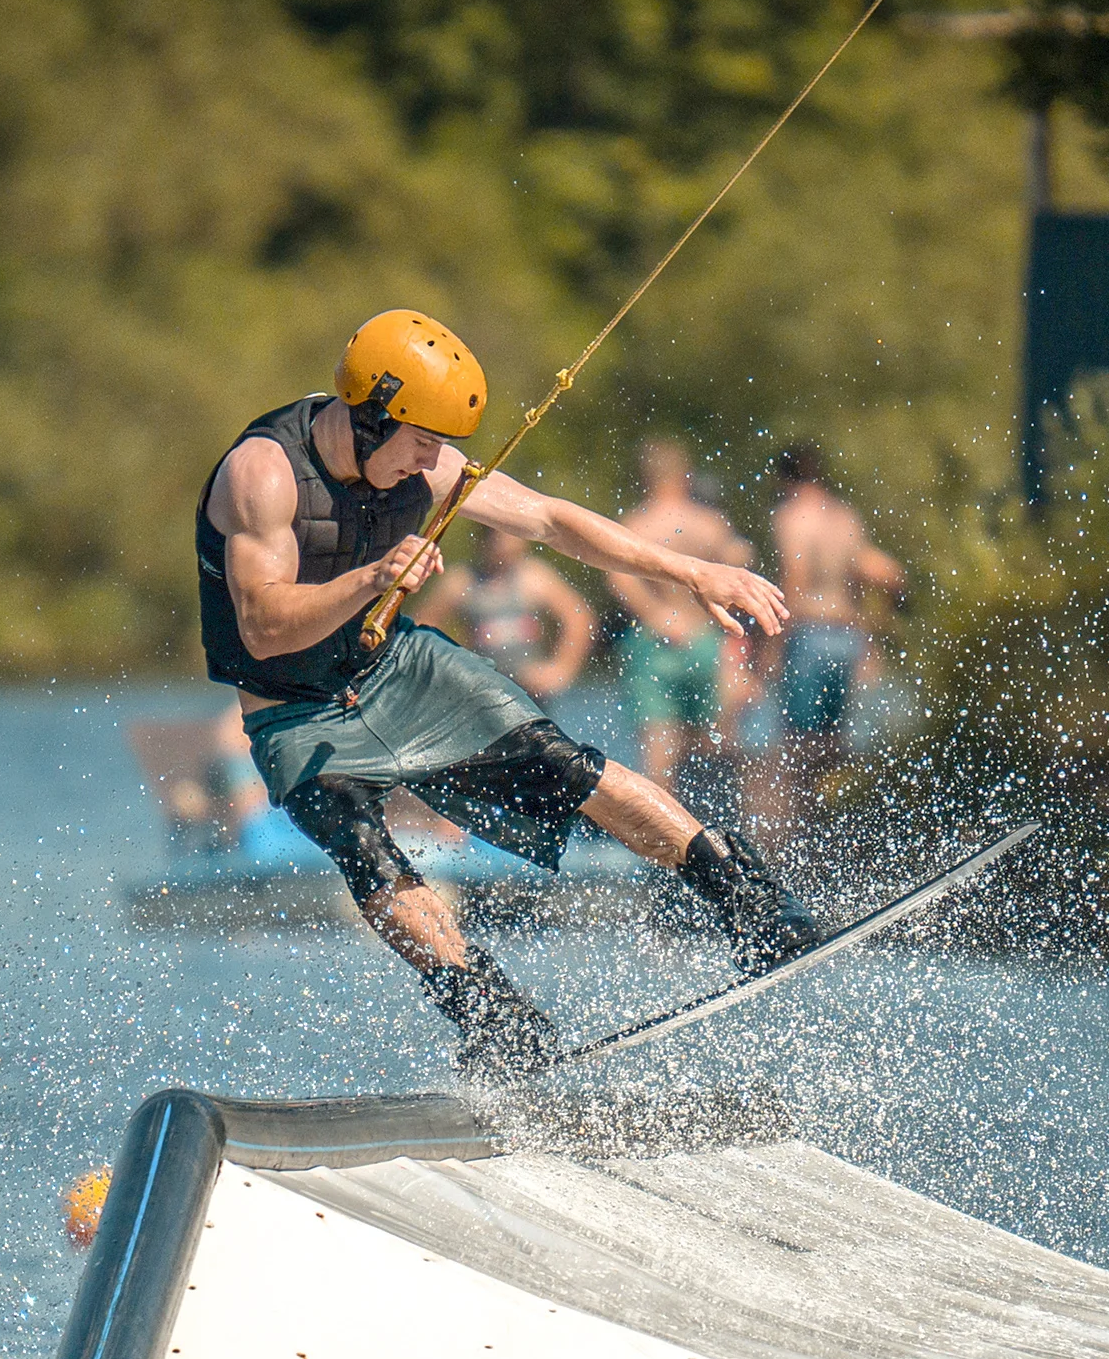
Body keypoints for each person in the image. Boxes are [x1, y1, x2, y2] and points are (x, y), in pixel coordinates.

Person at [196, 308, 819, 1077]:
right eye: (422, 440)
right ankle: (487, 1011)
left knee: (563, 764)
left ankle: (744, 901)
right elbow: (261, 628)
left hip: (396, 669)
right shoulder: (262, 474)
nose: (434, 460)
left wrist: (693, 573)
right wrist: (372, 578)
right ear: (368, 416)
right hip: (292, 708)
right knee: (366, 852)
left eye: (441, 445)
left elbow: (553, 521)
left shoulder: (425, 462)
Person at [749, 442, 906, 833]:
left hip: (809, 637)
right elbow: (886, 574)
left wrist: (771, 644)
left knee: (799, 746)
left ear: (784, 479)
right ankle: (836, 831)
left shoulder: (791, 518)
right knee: (837, 747)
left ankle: (801, 839)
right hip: (847, 638)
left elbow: (796, 580)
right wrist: (874, 637)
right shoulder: (843, 516)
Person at [609, 439, 751, 789]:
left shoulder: (636, 525)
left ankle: (662, 841)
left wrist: (658, 614)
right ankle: (721, 834)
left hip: (655, 643)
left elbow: (617, 578)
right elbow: (740, 567)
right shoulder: (710, 523)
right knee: (716, 753)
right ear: (684, 476)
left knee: (660, 763)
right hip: (706, 641)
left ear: (645, 477)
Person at [412, 526, 595, 702]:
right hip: (482, 688)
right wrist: (448, 671)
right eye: (500, 538)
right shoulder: (462, 581)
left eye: (513, 538)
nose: (505, 546)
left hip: (530, 689)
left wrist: (561, 669)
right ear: (485, 540)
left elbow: (578, 617)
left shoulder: (533, 578)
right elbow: (422, 625)